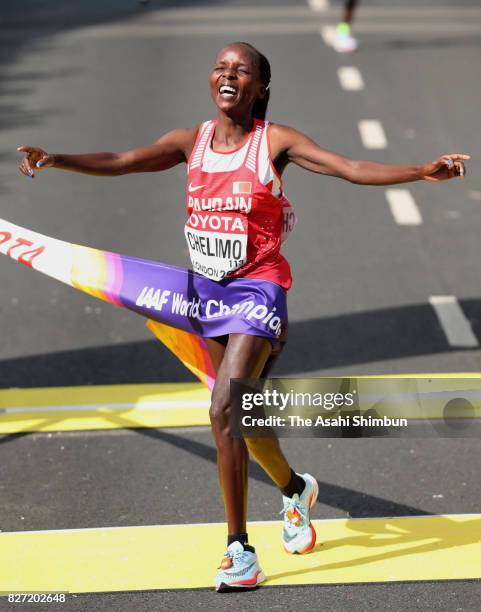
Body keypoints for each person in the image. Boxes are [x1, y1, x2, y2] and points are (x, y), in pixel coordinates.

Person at [16, 42, 469, 592]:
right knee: (245, 422)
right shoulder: (192, 142)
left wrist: (419, 172)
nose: (228, 76)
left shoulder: (274, 143)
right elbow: (123, 161)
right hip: (204, 297)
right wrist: (57, 157)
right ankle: (295, 489)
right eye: (221, 68)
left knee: (223, 407)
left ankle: (239, 550)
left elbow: (348, 167)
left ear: (261, 87)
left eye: (242, 71)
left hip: (259, 291)